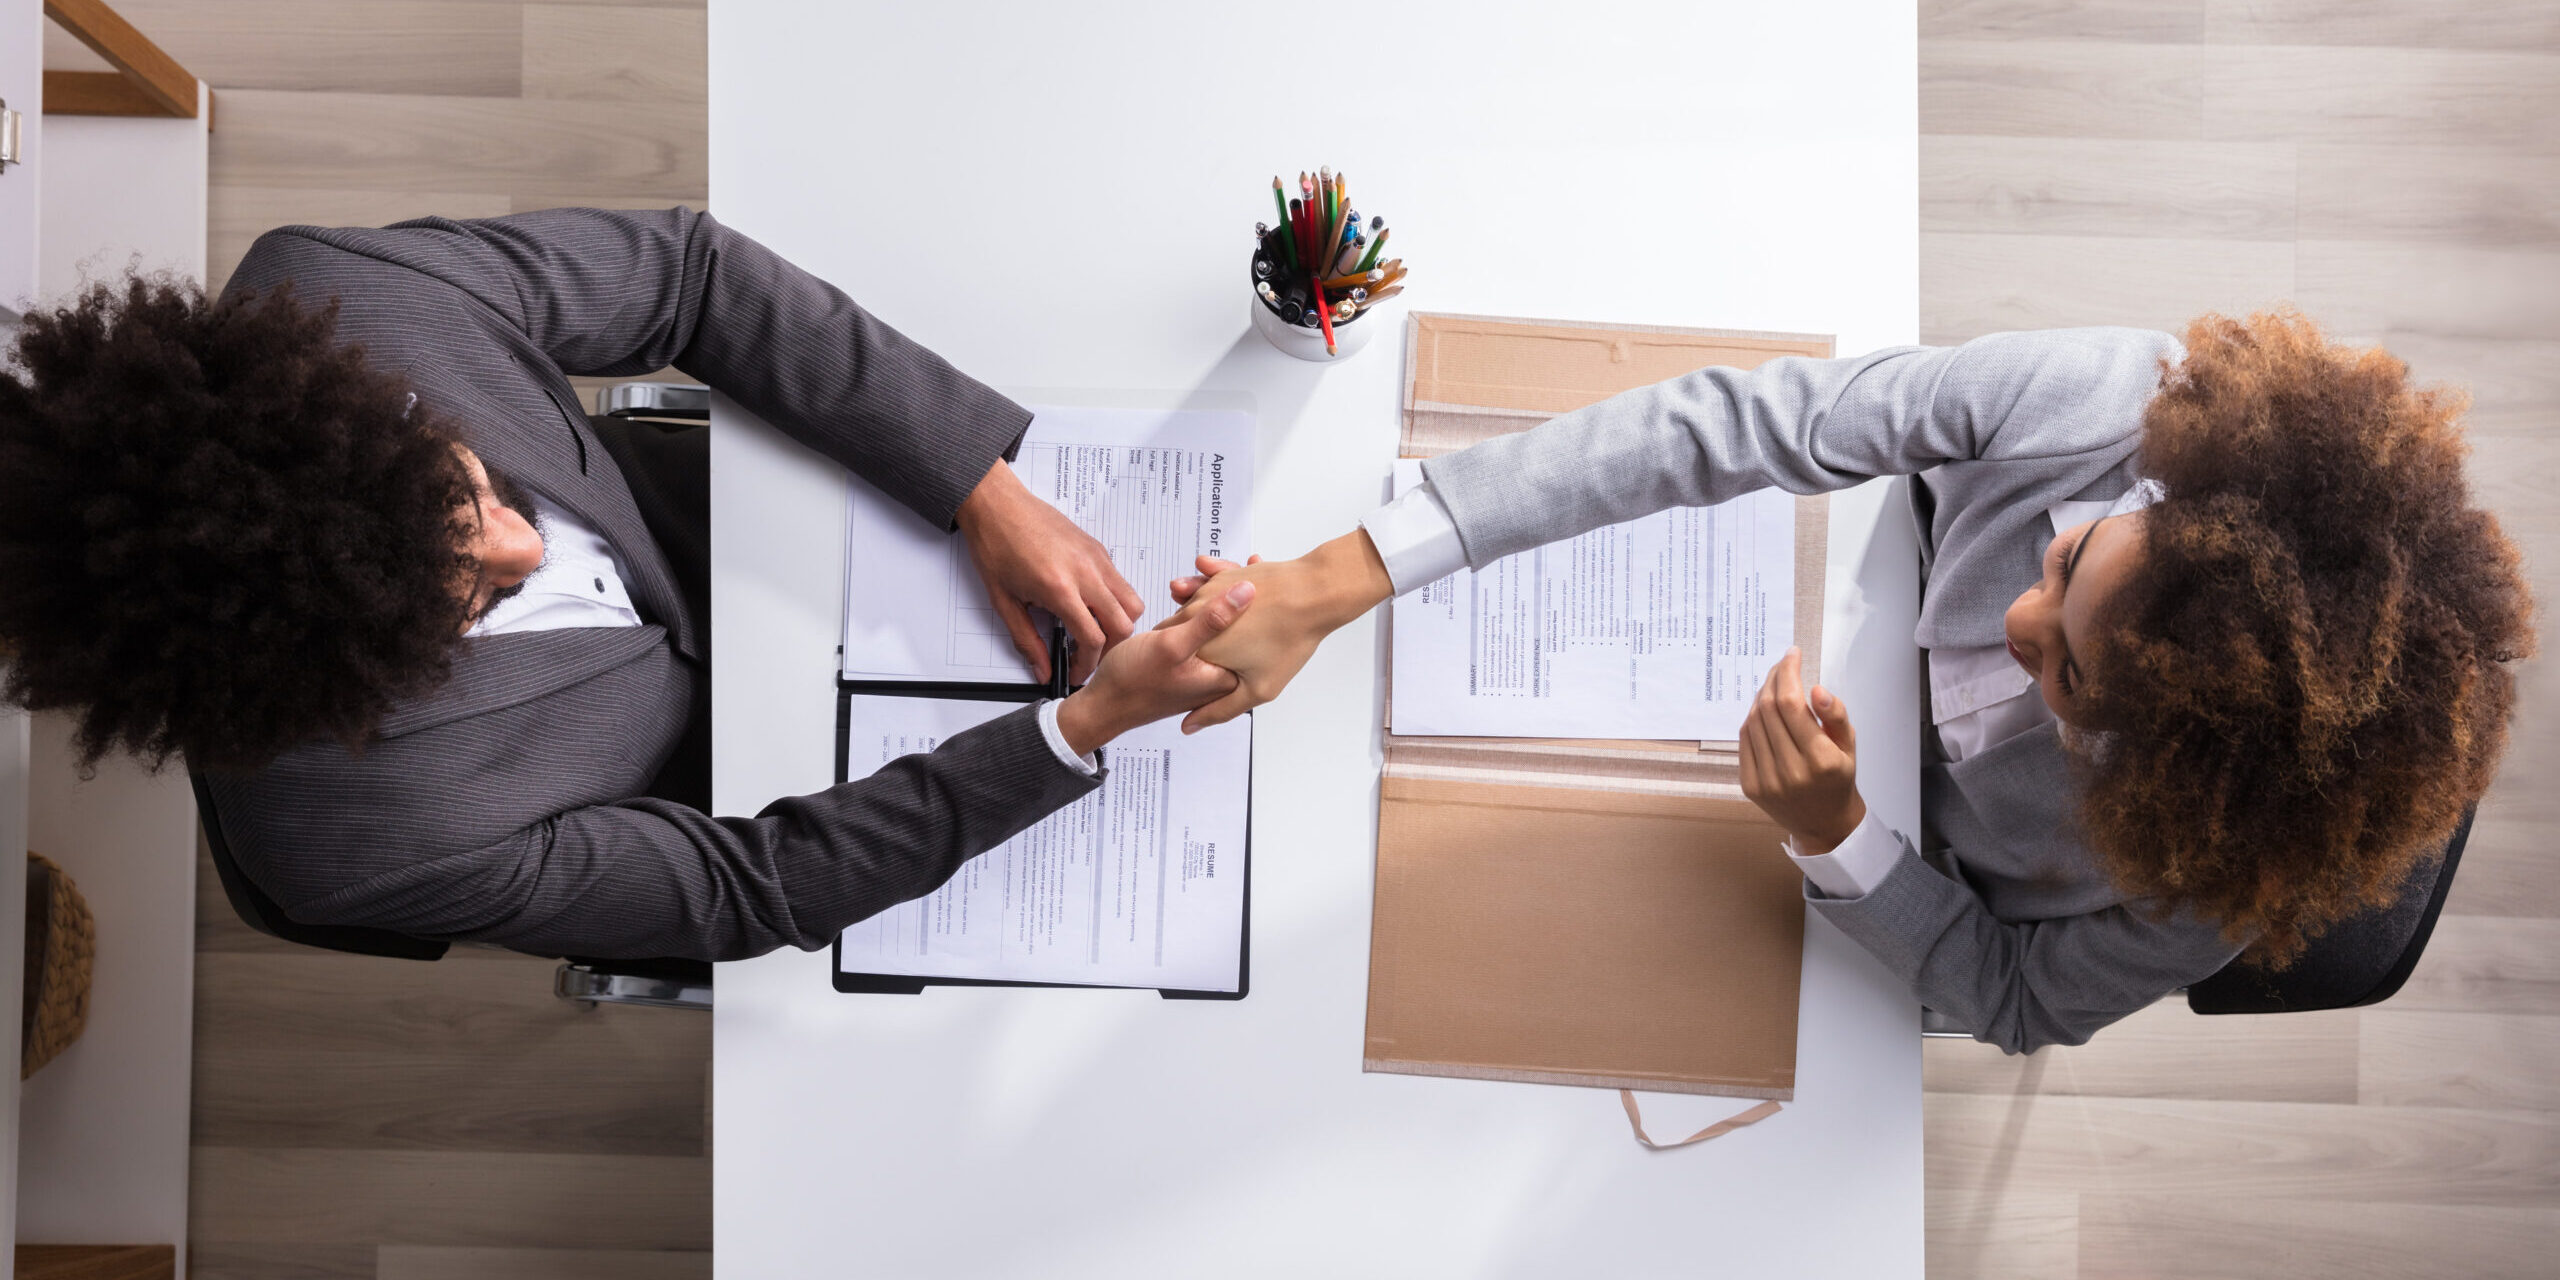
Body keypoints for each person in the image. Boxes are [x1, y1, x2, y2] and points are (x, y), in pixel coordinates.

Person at [1155, 311, 2535, 1053]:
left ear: (2172, 774)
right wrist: (1342, 578)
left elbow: (2017, 1000)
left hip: (1840, 900)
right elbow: (1751, 422)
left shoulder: (2222, 882)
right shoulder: (2110, 399)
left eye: (2068, 675)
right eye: (2072, 557)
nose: (2015, 613)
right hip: (1796, 596)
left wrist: (1841, 838)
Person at [0, 207, 1254, 962]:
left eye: (472, 490)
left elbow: (690, 275)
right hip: (736, 781)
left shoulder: (354, 298)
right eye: (466, 600)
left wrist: (974, 481)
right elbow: (744, 887)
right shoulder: (363, 842)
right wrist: (1082, 730)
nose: (527, 548)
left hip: (761, 518)